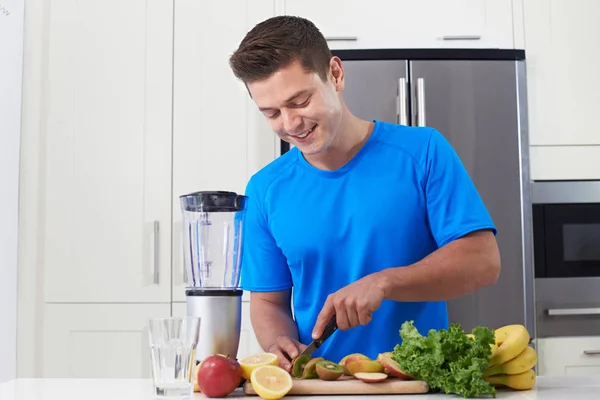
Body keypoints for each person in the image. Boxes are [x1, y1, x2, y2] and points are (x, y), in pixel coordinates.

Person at [228, 15, 501, 372]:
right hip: (322, 387)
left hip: (416, 382)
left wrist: (385, 282)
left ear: (336, 75)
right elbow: (269, 302)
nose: (290, 123)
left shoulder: (424, 152)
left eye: (299, 101)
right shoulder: (264, 190)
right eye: (272, 113)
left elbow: (483, 261)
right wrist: (278, 342)